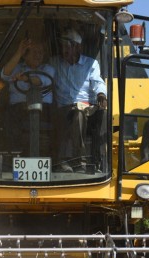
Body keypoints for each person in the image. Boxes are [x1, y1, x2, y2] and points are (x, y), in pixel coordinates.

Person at [50, 28, 107, 172]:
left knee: (81, 115)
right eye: (62, 45)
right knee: (72, 114)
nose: (64, 49)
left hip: (85, 108)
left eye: (67, 45)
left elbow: (97, 81)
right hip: (62, 108)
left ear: (77, 47)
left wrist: (101, 94)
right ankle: (67, 161)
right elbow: (45, 77)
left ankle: (87, 161)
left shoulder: (91, 64)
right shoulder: (54, 63)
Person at [1, 38, 55, 156]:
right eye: (34, 52)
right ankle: (14, 155)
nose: (38, 55)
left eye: (41, 52)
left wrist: (26, 79)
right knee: (7, 116)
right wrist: (19, 52)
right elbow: (4, 75)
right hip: (18, 110)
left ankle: (54, 158)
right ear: (25, 55)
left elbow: (42, 81)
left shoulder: (48, 69)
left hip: (44, 110)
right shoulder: (17, 68)